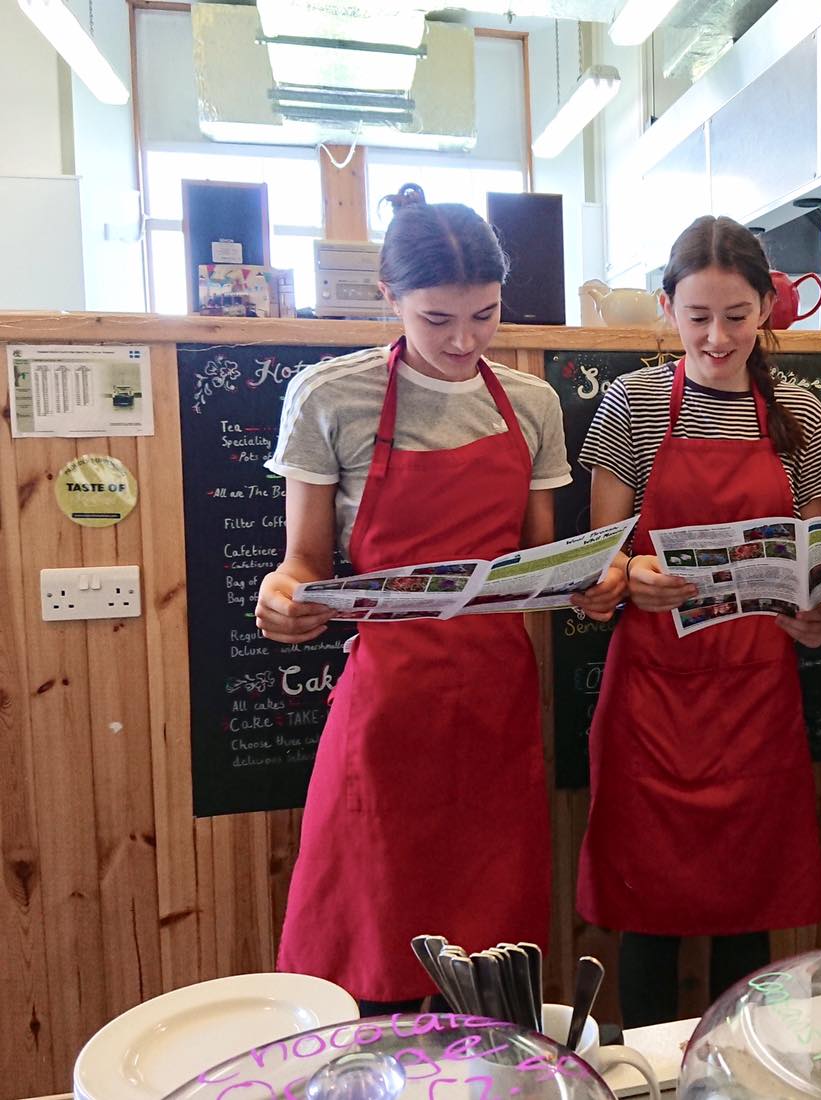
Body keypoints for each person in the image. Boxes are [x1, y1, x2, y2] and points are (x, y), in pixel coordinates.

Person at [255, 184, 621, 1013]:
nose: (463, 341)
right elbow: (302, 563)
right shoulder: (328, 396)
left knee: (490, 976)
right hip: (388, 711)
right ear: (389, 297)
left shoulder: (530, 403)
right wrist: (283, 600)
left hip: (497, 704)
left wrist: (587, 587)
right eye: (437, 319)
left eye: (484, 316)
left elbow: (535, 562)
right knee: (372, 957)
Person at [576, 215, 821, 1027]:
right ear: (667, 309)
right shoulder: (633, 404)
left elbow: (816, 564)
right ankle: (650, 1074)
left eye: (736, 315)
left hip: (757, 701)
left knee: (748, 917)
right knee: (646, 919)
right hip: (651, 702)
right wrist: (629, 576)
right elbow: (599, 559)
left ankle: (742, 1070)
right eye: (697, 317)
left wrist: (816, 615)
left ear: (767, 308)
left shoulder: (799, 411)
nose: (718, 338)